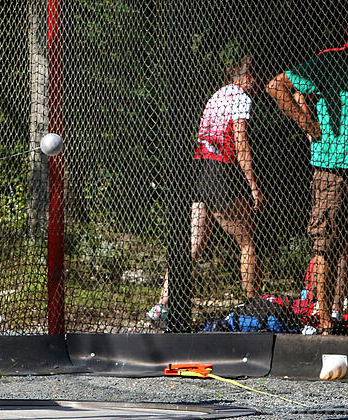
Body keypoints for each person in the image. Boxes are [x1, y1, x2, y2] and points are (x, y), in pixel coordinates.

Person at [148, 55, 264, 324]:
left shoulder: (217, 95)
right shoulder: (241, 97)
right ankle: (255, 307)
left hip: (200, 170)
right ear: (249, 78)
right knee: (248, 241)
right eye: (257, 81)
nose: (258, 88)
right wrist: (253, 185)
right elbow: (240, 141)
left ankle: (161, 306)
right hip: (221, 172)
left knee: (193, 245)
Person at [266, 41, 348, 334]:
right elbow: (276, 86)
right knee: (325, 244)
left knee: (342, 247)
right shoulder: (331, 61)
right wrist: (308, 124)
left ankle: (338, 311)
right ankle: (325, 320)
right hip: (331, 167)